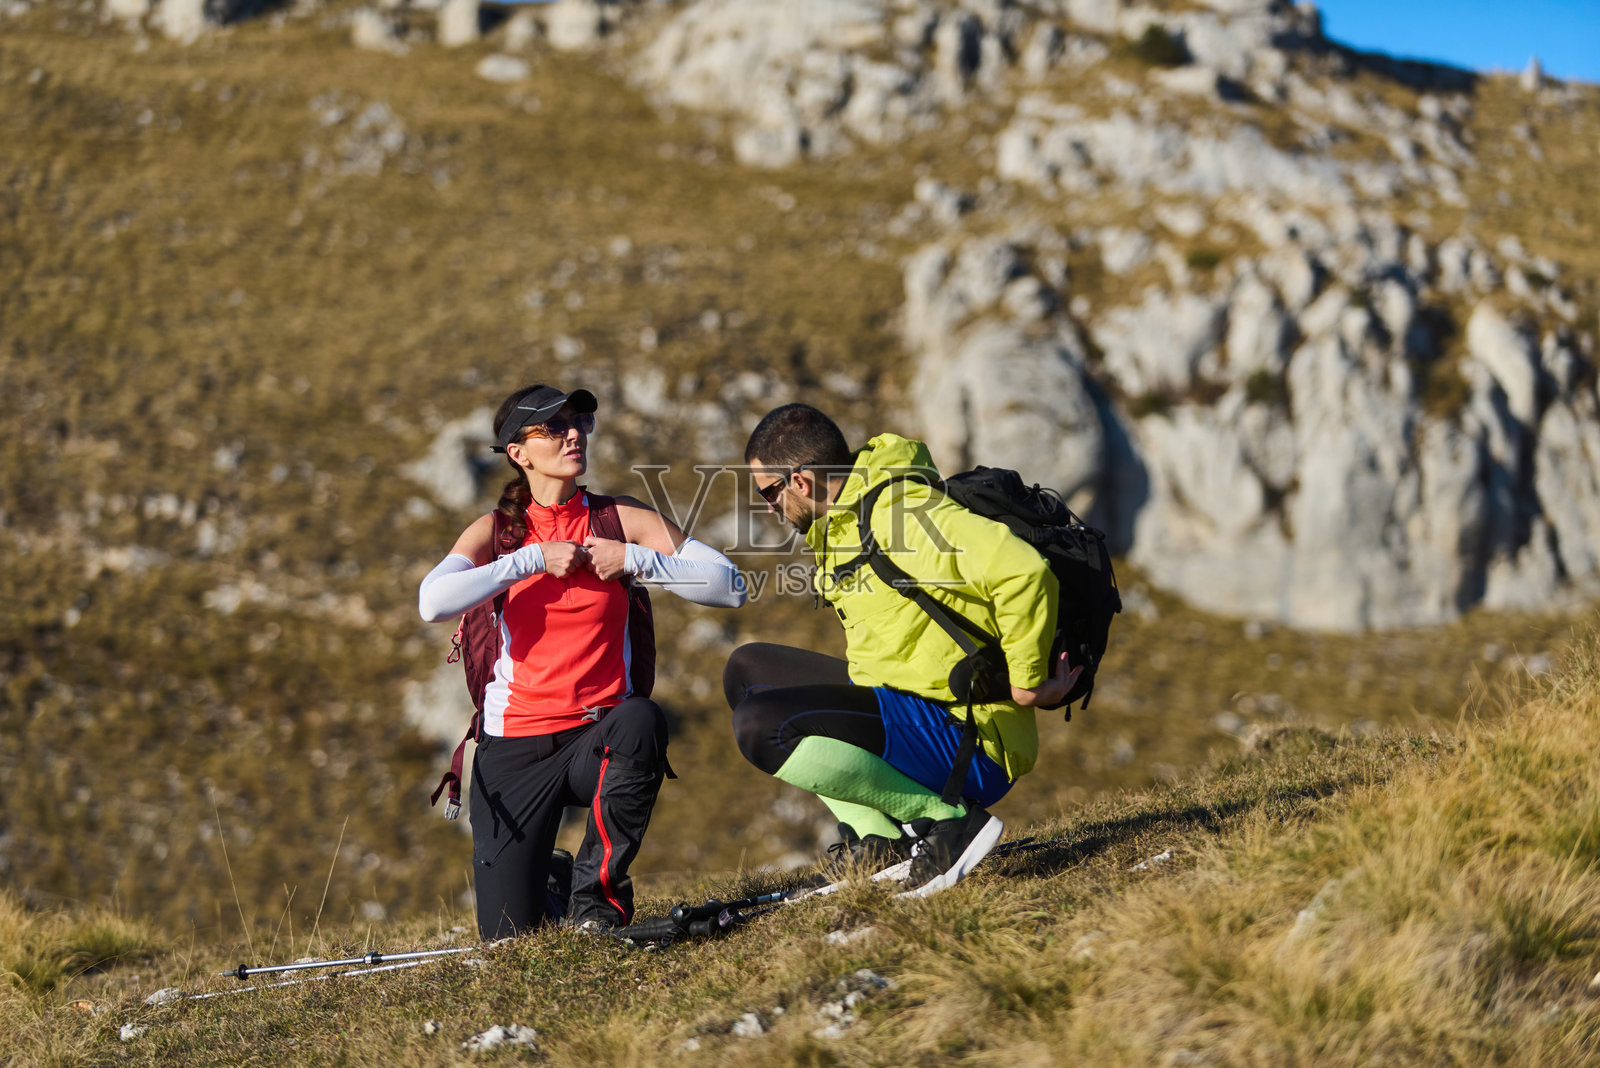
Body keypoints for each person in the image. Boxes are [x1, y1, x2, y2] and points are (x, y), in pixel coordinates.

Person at [419, 384, 746, 938]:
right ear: (518, 454)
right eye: (553, 427)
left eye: (578, 423)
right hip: (513, 750)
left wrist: (634, 559)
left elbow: (729, 585)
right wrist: (529, 561)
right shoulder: (495, 535)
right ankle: (554, 882)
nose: (574, 434)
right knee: (509, 941)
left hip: (597, 738)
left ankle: (597, 903)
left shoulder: (620, 519)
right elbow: (432, 602)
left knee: (642, 720)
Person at [725, 403, 1079, 898]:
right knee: (747, 670)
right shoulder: (841, 523)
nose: (768, 507)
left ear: (800, 483)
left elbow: (1023, 571)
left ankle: (949, 823)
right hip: (908, 709)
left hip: (966, 739)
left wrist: (1026, 684)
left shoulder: (902, 514)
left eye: (768, 493)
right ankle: (882, 840)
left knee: (761, 727)